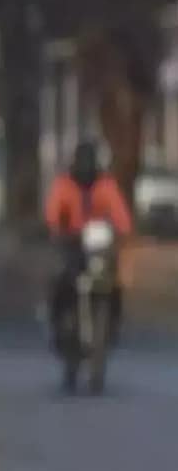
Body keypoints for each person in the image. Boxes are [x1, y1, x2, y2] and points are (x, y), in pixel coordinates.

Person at [44, 141, 133, 356]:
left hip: (98, 247)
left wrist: (120, 231)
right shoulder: (64, 184)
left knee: (114, 283)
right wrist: (58, 229)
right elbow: (53, 214)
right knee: (59, 280)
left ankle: (113, 323)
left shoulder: (105, 185)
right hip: (72, 244)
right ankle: (57, 322)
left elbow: (121, 216)